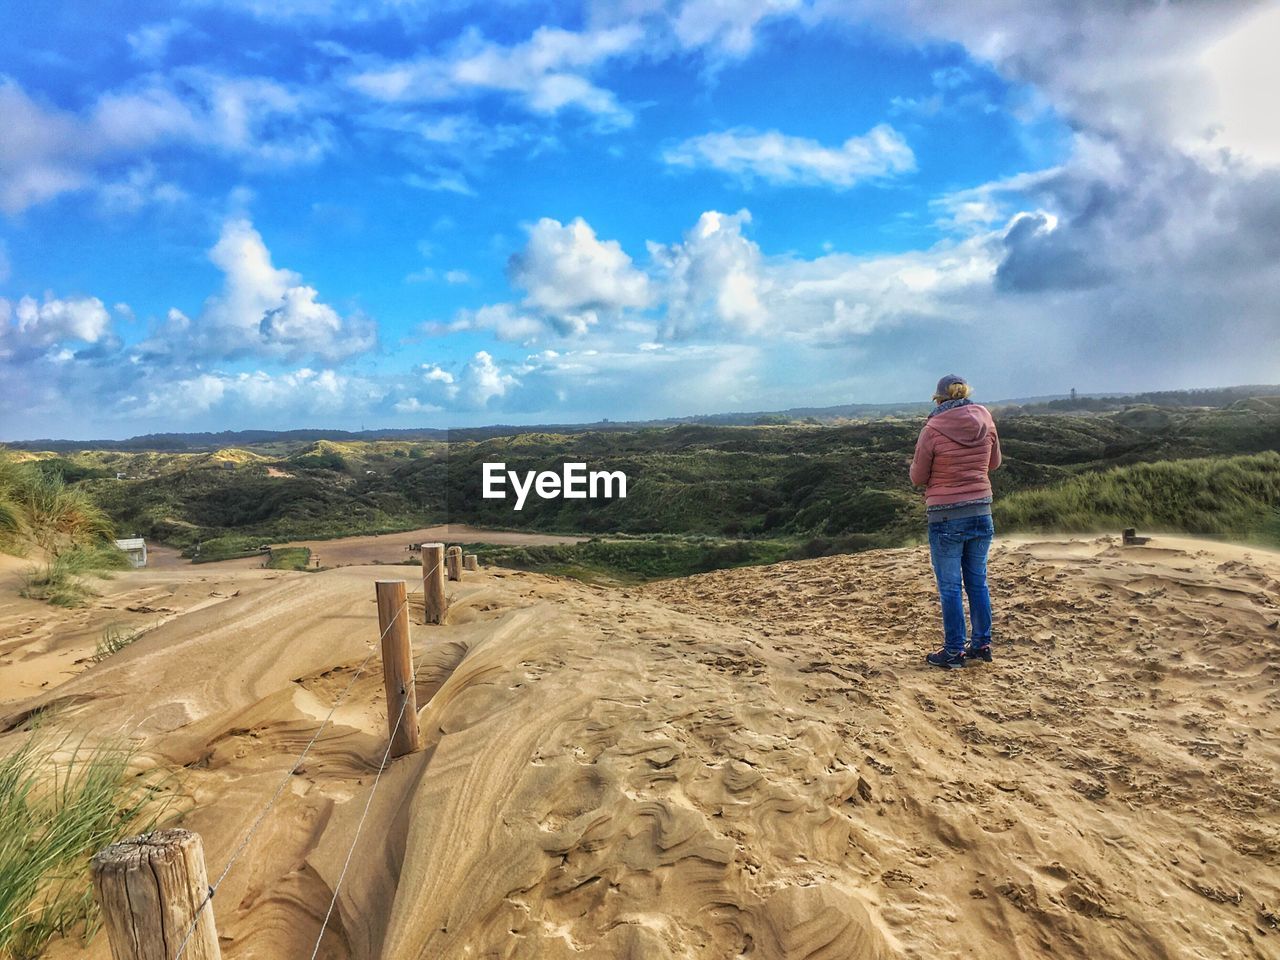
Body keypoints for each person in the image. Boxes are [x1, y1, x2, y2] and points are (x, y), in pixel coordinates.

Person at [909, 374, 1002, 669]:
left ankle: (953, 652)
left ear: (938, 398)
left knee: (950, 587)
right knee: (978, 582)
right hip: (981, 510)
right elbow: (994, 463)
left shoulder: (932, 429)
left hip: (946, 515)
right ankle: (982, 644)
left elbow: (917, 477)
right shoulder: (986, 419)